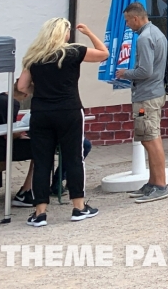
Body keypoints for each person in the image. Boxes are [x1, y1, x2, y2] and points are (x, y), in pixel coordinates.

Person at [16, 18, 109, 226]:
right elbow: (103, 53)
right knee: (74, 158)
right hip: (69, 111)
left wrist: (38, 90)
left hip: (41, 113)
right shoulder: (74, 52)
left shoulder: (34, 57)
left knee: (42, 162)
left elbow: (22, 86)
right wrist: (89, 33)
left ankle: (39, 213)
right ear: (63, 33)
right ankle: (78, 207)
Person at [0, 90, 94, 206]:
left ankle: (34, 189)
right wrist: (21, 134)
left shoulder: (0, 98)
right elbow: (9, 134)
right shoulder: (11, 103)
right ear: (26, 94)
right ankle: (26, 191)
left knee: (42, 145)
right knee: (42, 147)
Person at [115, 2, 168, 204]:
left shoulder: (145, 38)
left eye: (128, 20)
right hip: (152, 94)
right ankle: (153, 182)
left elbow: (145, 71)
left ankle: (160, 185)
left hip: (146, 96)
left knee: (150, 138)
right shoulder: (156, 33)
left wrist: (124, 73)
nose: (128, 25)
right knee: (149, 137)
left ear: (136, 18)